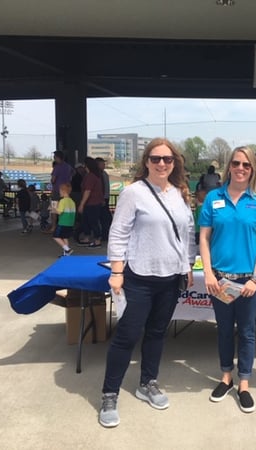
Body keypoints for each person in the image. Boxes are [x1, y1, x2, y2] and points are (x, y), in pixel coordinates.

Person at [99, 138, 196, 428]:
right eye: (156, 159)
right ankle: (109, 394)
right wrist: (117, 272)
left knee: (156, 334)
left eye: (168, 159)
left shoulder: (179, 193)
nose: (162, 164)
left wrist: (188, 263)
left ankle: (147, 383)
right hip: (139, 277)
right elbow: (118, 234)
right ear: (146, 162)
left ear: (175, 162)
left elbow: (188, 232)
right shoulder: (134, 193)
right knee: (127, 336)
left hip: (170, 278)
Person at [198, 146, 256, 414]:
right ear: (229, 166)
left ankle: (244, 383)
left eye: (246, 165)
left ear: (253, 169)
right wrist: (208, 272)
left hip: (248, 283)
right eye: (236, 163)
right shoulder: (213, 198)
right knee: (224, 329)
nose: (241, 168)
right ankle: (226, 377)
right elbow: (204, 238)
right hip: (220, 281)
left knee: (248, 331)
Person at [77, 157, 104, 249]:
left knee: (93, 221)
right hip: (93, 202)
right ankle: (87, 237)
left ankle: (97, 240)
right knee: (87, 221)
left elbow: (87, 191)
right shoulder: (95, 176)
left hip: (92, 203)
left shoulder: (90, 176)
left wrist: (81, 204)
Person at [45, 151, 73, 233]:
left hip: (57, 191)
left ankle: (54, 227)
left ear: (57, 157)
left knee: (54, 210)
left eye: (54, 157)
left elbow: (53, 180)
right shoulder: (68, 166)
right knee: (64, 210)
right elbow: (72, 174)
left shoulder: (57, 167)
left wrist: (53, 182)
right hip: (66, 191)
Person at [52, 183, 76, 257]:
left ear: (63, 191)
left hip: (63, 222)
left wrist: (53, 208)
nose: (59, 192)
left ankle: (67, 249)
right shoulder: (72, 201)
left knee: (56, 236)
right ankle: (66, 254)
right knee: (65, 237)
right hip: (70, 223)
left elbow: (59, 212)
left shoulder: (62, 201)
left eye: (60, 191)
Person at [96, 157, 113, 241]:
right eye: (102, 164)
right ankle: (104, 235)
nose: (104, 165)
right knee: (104, 218)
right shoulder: (98, 175)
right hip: (102, 198)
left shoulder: (104, 174)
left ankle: (105, 234)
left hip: (105, 198)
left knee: (106, 218)